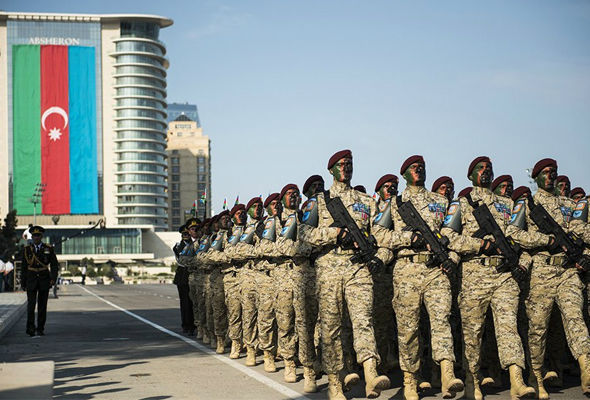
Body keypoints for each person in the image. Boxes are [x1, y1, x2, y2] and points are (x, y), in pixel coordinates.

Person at [441, 156, 535, 400]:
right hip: (475, 276)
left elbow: (523, 240)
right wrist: (479, 244)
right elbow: (448, 237)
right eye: (480, 169)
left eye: (489, 169)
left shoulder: (509, 205)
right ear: (470, 175)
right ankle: (473, 383)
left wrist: (523, 264)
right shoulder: (461, 204)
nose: (485, 172)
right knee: (473, 334)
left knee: (509, 329)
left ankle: (517, 381)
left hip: (504, 276)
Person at [300, 149, 390, 399]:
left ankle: (371, 372)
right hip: (329, 269)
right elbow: (304, 237)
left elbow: (383, 239)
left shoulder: (367, 201)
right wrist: (334, 233)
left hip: (359, 268)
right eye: (341, 164)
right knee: (331, 328)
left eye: (349, 164)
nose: (346, 168)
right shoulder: (317, 202)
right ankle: (335, 382)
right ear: (331, 170)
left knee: (364, 320)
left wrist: (380, 259)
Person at [375, 156, 463, 400]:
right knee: (408, 329)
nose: (419, 170)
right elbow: (379, 234)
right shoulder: (394, 203)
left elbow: (455, 234)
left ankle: (447, 373)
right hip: (407, 269)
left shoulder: (441, 201)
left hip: (436, 270)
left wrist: (452, 258)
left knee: (441, 321)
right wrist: (407, 239)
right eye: (414, 168)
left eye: (422, 167)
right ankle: (410, 379)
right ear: (404, 174)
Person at [508, 158, 590, 398]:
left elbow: (584, 235)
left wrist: (586, 254)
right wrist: (545, 240)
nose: (550, 175)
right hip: (542, 271)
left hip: (568, 272)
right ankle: (536, 376)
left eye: (553, 171)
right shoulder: (528, 204)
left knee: (575, 318)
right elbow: (513, 233)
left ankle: (587, 369)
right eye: (545, 172)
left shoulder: (571, 204)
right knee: (538, 327)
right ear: (536, 177)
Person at [21, 226, 59, 336]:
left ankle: (40, 328)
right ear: (31, 237)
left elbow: (54, 265)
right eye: (34, 236)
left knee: (42, 306)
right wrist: (23, 282)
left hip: (44, 279)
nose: (36, 238)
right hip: (31, 279)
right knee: (31, 306)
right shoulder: (27, 250)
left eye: (38, 236)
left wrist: (53, 278)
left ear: (41, 237)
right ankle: (30, 328)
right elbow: (24, 267)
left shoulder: (48, 248)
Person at [173, 224, 195, 335]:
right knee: (185, 302)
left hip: (193, 273)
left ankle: (194, 324)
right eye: (184, 234)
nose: (186, 236)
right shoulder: (178, 246)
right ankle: (186, 324)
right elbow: (181, 259)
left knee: (194, 302)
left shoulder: (196, 244)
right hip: (183, 275)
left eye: (188, 233)